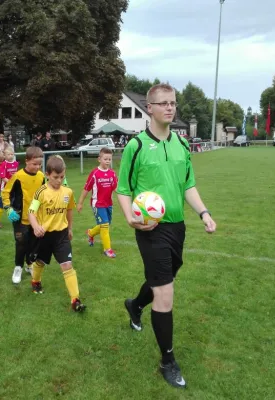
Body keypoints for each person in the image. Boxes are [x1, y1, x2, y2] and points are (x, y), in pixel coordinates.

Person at [117, 83, 216, 388]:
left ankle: (135, 305)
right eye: (163, 103)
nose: (170, 108)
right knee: (165, 293)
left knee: (165, 280)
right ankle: (168, 361)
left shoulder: (182, 145)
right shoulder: (135, 146)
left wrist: (203, 212)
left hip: (177, 227)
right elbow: (123, 189)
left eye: (173, 103)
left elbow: (188, 185)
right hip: (150, 229)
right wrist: (131, 218)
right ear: (150, 108)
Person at [27, 156, 86, 312]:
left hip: (61, 235)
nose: (59, 180)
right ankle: (35, 281)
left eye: (62, 177)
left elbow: (69, 211)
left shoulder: (68, 192)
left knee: (67, 265)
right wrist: (35, 226)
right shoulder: (41, 192)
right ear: (47, 175)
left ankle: (75, 300)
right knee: (40, 262)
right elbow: (31, 212)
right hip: (44, 236)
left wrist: (70, 229)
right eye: (55, 177)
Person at [1, 146, 45, 284]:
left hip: (36, 218)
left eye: (39, 164)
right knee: (21, 243)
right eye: (34, 164)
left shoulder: (41, 177)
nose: (37, 167)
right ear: (26, 161)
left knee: (34, 244)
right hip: (19, 217)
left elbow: (44, 195)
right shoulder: (18, 176)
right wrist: (8, 208)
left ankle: (29, 264)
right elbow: (5, 192)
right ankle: (18, 267)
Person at [76, 147, 118, 258]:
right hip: (98, 204)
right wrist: (80, 203)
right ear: (99, 159)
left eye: (109, 159)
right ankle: (107, 249)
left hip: (109, 204)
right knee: (104, 226)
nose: (108, 161)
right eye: (105, 159)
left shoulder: (112, 174)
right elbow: (86, 189)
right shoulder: (94, 173)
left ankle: (90, 233)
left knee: (105, 224)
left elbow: (116, 188)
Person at [0, 147, 19, 228]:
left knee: (13, 204)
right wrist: (11, 183)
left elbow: (16, 175)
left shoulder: (16, 163)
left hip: (13, 188)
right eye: (8, 154)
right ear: (5, 155)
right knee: (1, 205)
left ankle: (15, 219)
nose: (11, 156)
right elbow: (3, 177)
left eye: (12, 154)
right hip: (4, 189)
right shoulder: (3, 164)